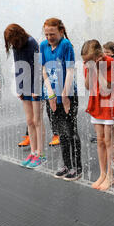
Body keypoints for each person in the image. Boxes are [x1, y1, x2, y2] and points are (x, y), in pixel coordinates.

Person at [41, 17, 82, 181]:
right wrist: (50, 93)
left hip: (68, 94)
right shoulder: (43, 45)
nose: (49, 37)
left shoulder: (66, 45)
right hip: (52, 96)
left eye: (52, 34)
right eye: (46, 34)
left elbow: (70, 71)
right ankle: (66, 164)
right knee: (60, 132)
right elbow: (43, 69)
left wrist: (65, 95)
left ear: (61, 31)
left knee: (71, 131)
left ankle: (77, 167)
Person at [4, 23, 46, 169]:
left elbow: (37, 67)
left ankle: (41, 154)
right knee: (29, 121)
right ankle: (33, 152)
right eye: (9, 42)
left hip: (36, 87)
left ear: (19, 34)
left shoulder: (31, 42)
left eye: (13, 40)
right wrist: (19, 88)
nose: (12, 44)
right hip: (25, 87)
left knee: (37, 121)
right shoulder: (16, 46)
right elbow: (18, 66)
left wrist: (36, 89)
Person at [81, 39, 114, 191]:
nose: (86, 64)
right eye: (84, 62)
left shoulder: (111, 63)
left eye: (88, 61)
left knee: (109, 141)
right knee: (100, 140)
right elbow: (88, 86)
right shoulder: (89, 65)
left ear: (98, 56)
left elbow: (107, 87)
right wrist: (90, 70)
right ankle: (102, 173)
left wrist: (96, 69)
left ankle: (111, 175)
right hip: (96, 104)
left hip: (109, 105)